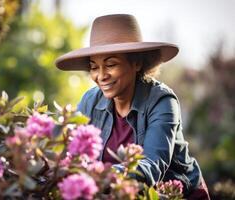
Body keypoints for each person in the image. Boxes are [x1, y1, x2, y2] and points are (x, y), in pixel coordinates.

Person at [55, 14, 210, 199]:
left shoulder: (162, 102)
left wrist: (97, 176)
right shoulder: (90, 101)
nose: (101, 75)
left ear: (136, 63)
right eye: (94, 67)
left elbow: (151, 166)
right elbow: (69, 151)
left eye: (111, 64)